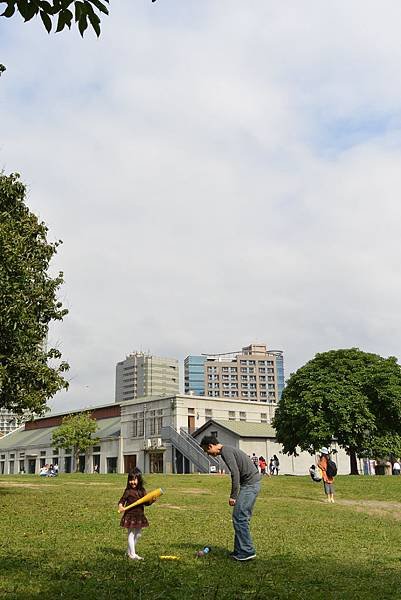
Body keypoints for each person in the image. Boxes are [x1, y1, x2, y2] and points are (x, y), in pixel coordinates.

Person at [200, 434, 261, 561]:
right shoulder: (227, 449)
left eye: (207, 451)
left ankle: (247, 551)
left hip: (250, 485)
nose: (208, 454)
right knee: (240, 517)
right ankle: (239, 550)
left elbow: (235, 473)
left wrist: (233, 496)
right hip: (251, 484)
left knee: (240, 517)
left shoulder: (226, 451)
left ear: (210, 446)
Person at [118, 470, 156, 560]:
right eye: (130, 480)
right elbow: (122, 500)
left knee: (138, 534)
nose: (132, 482)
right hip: (130, 515)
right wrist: (120, 506)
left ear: (139, 480)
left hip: (139, 515)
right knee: (131, 534)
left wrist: (151, 501)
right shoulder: (128, 491)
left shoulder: (142, 491)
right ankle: (132, 554)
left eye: (134, 480)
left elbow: (146, 503)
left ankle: (129, 551)